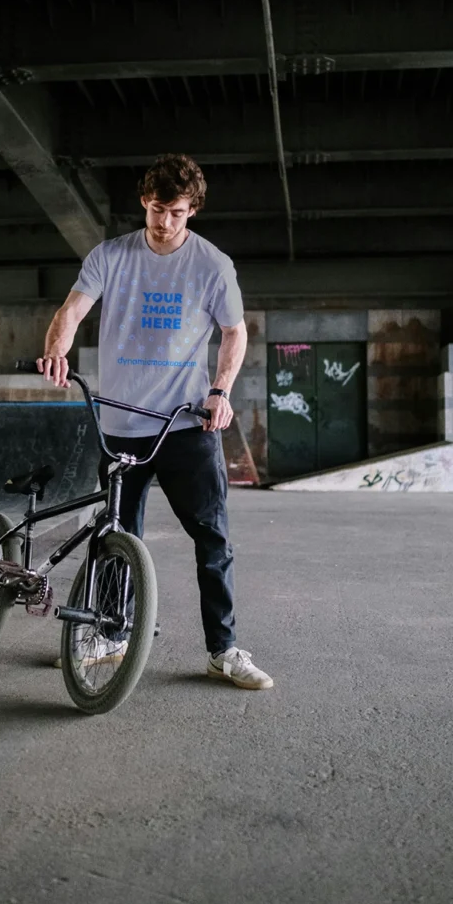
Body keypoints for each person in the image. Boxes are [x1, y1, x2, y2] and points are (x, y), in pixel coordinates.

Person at [37, 153, 273, 691]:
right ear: (145, 201)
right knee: (118, 535)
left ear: (192, 211)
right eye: (157, 209)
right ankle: (113, 634)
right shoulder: (111, 256)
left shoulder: (212, 266)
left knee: (212, 538)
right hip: (119, 424)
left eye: (177, 212)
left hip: (186, 425)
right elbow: (72, 310)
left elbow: (234, 334)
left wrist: (220, 391)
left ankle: (223, 650)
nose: (165, 222)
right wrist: (56, 348)